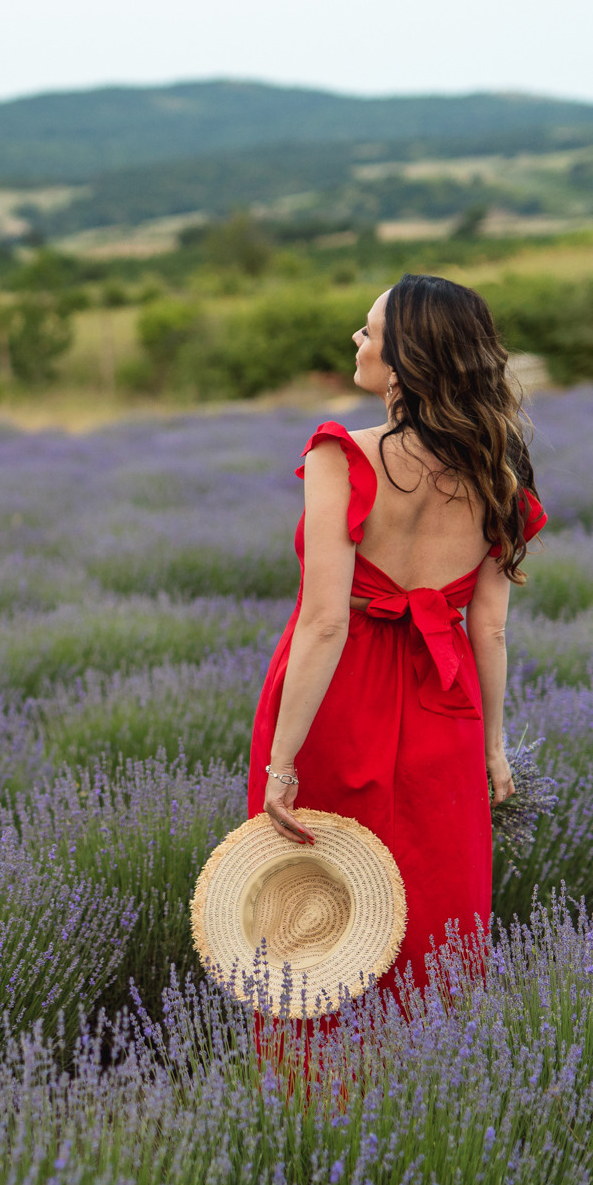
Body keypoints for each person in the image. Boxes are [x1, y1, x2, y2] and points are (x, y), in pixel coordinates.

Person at [247, 273, 545, 1005]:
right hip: (447, 705)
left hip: (340, 700)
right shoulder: (497, 472)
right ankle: (428, 1087)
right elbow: (491, 626)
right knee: (438, 917)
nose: (357, 337)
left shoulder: (339, 455)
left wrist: (282, 763)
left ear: (406, 359)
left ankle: (310, 1102)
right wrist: (494, 746)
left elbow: (324, 620)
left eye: (370, 329)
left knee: (313, 919)